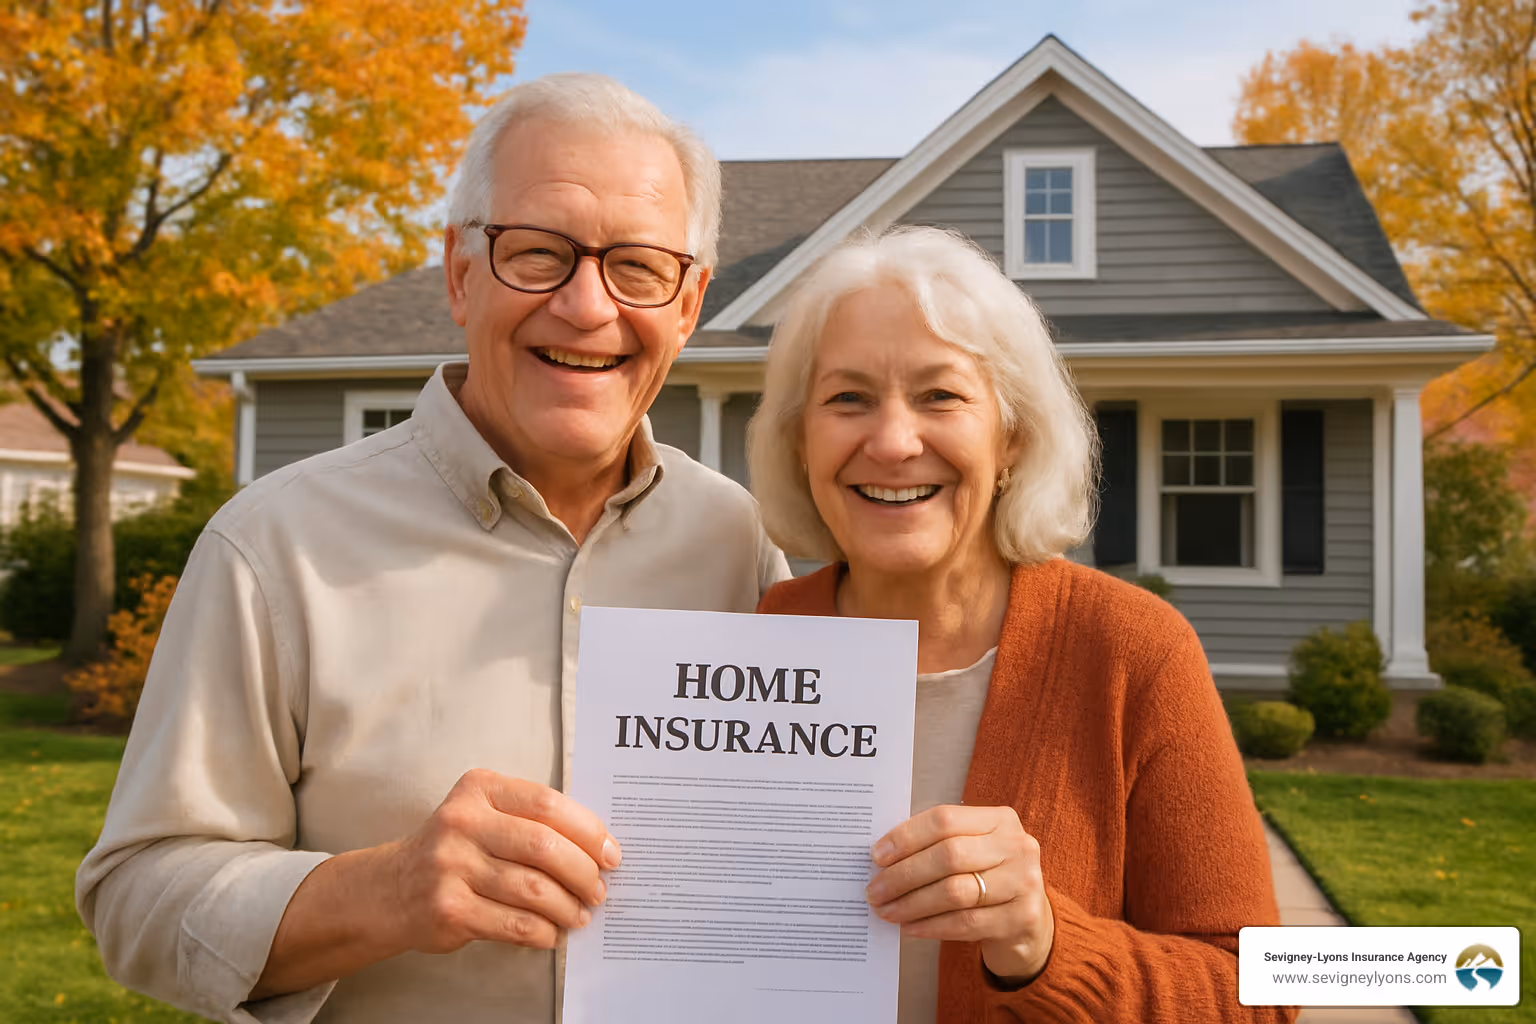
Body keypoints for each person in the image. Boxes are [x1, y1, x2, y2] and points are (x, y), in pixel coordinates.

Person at [76, 74, 789, 1023]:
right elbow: (136, 899)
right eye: (537, 254)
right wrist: (388, 890)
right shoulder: (274, 546)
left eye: (639, 268)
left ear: (689, 303)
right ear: (460, 272)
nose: (587, 306)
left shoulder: (743, 545)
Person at [749, 225, 1297, 1023]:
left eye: (940, 395)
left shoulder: (1133, 653)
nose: (893, 442)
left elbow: (1260, 994)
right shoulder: (750, 641)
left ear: (1011, 437)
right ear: (801, 443)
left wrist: (1045, 943)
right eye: (847, 399)